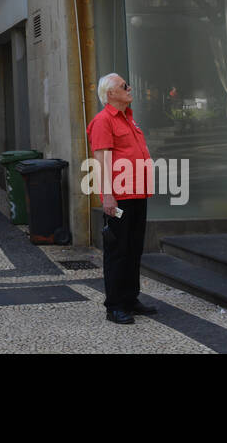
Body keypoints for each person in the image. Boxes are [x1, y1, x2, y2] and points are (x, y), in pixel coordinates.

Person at [88, 72, 157, 325]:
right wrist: (108, 196)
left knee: (134, 249)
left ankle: (130, 298)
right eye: (123, 86)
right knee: (117, 250)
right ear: (111, 94)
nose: (129, 88)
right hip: (119, 197)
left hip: (138, 194)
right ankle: (114, 305)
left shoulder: (129, 119)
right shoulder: (103, 121)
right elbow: (101, 161)